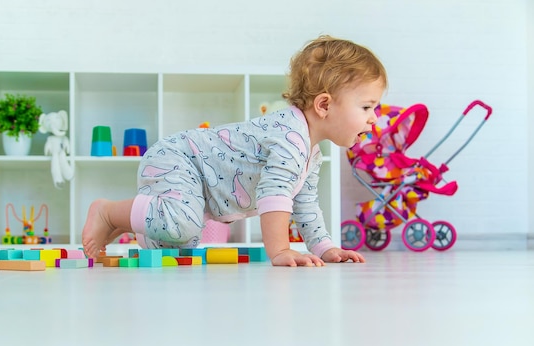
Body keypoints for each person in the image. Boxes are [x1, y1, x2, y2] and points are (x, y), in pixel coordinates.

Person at [82, 35, 387, 267]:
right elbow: (274, 196)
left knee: (179, 246)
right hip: (178, 158)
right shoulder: (289, 138)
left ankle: (125, 221)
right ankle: (108, 212)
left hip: (196, 183)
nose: (374, 117)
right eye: (366, 107)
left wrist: (324, 248)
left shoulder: (311, 152)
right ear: (324, 105)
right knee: (182, 223)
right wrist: (279, 250)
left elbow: (305, 204)